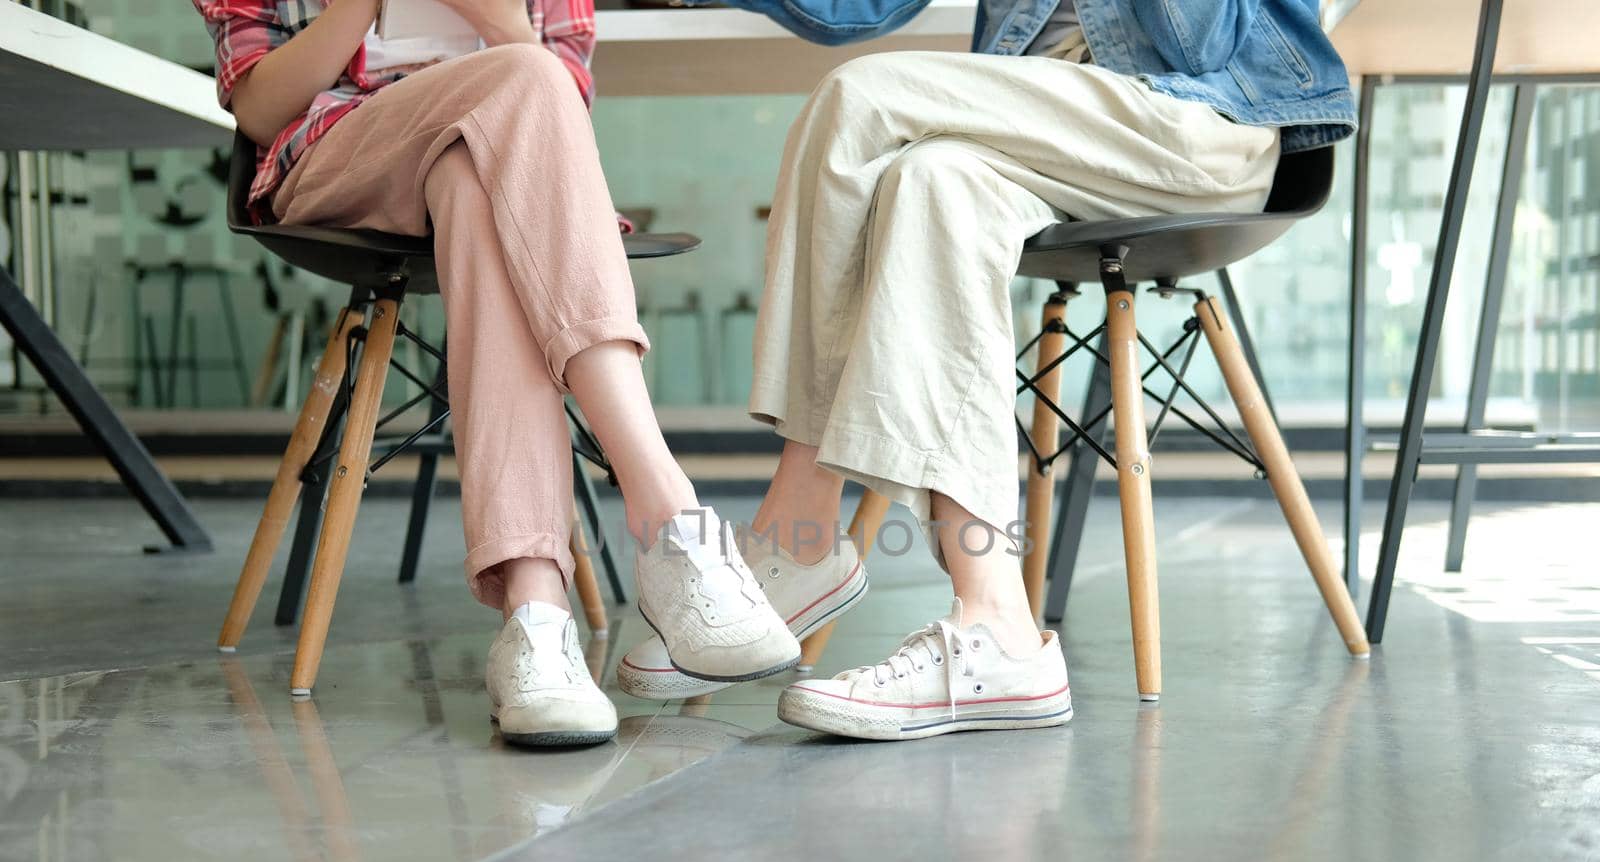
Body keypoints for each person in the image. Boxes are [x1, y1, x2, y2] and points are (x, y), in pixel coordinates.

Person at [620, 0, 1355, 740]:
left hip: (1200, 120)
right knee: (934, 181)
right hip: (1041, 123)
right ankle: (998, 632)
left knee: (860, 97)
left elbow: (1205, 39)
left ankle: (799, 533)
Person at [193, 0, 799, 747]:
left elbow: (562, 117)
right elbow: (259, 109)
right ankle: (668, 517)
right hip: (340, 155)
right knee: (524, 76)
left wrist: (495, 16)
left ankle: (536, 614)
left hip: (499, 166)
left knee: (473, 180)